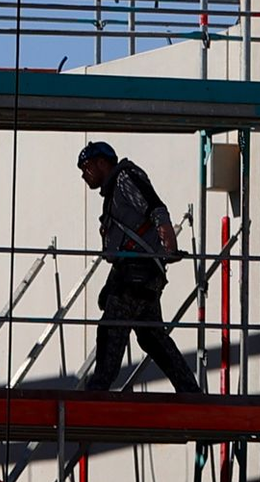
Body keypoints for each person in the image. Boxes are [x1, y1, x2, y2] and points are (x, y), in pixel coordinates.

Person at [77, 140, 201, 393]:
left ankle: (98, 390)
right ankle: (190, 390)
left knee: (112, 329)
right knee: (151, 337)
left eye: (86, 167)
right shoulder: (115, 190)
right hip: (138, 275)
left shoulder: (124, 179)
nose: (83, 174)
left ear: (102, 163)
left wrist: (170, 246)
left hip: (136, 276)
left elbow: (156, 208)